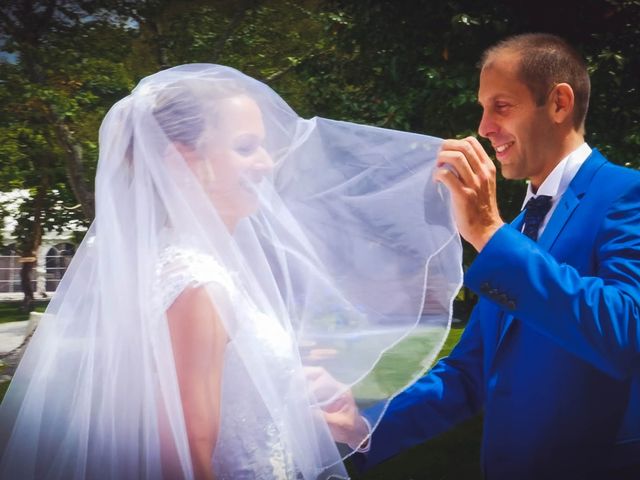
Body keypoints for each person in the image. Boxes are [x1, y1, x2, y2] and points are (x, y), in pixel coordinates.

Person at [0, 65, 462, 479]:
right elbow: (183, 458)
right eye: (246, 148)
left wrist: (284, 389)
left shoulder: (194, 266)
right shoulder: (197, 283)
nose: (266, 163)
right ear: (185, 161)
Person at [330, 33, 640, 479]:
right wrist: (363, 426)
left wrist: (489, 234)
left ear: (558, 104)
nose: (483, 127)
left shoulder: (626, 195)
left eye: (501, 106)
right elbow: (470, 372)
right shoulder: (512, 234)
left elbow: (625, 331)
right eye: (482, 108)